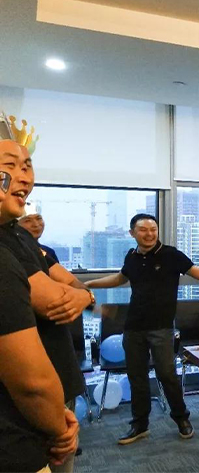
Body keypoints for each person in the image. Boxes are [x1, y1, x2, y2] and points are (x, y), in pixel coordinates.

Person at [86, 214, 199, 445]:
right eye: (143, 230)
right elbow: (120, 278)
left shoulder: (171, 255)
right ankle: (140, 425)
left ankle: (182, 418)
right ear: (132, 233)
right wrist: (90, 283)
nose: (149, 234)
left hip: (161, 328)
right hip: (133, 327)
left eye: (153, 229)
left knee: (167, 375)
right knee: (137, 377)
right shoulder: (131, 256)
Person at [0, 139, 91, 473]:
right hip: (18, 428)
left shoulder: (20, 237)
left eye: (27, 166)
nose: (24, 176)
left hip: (52, 391)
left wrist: (85, 295)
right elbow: (55, 301)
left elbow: (72, 286)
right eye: (10, 166)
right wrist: (59, 427)